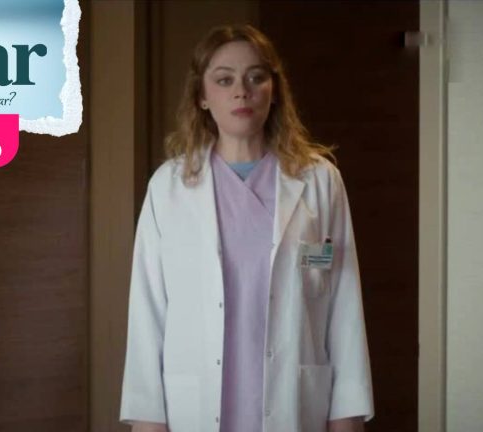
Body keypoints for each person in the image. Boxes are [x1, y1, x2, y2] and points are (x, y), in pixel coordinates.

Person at [120, 24, 373, 432]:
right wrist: (148, 422)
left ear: (274, 90)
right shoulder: (168, 188)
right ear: (202, 96)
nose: (242, 91)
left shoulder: (320, 182)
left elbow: (344, 311)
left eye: (256, 77)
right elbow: (147, 315)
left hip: (294, 405)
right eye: (225, 80)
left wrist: (347, 418)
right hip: (195, 409)